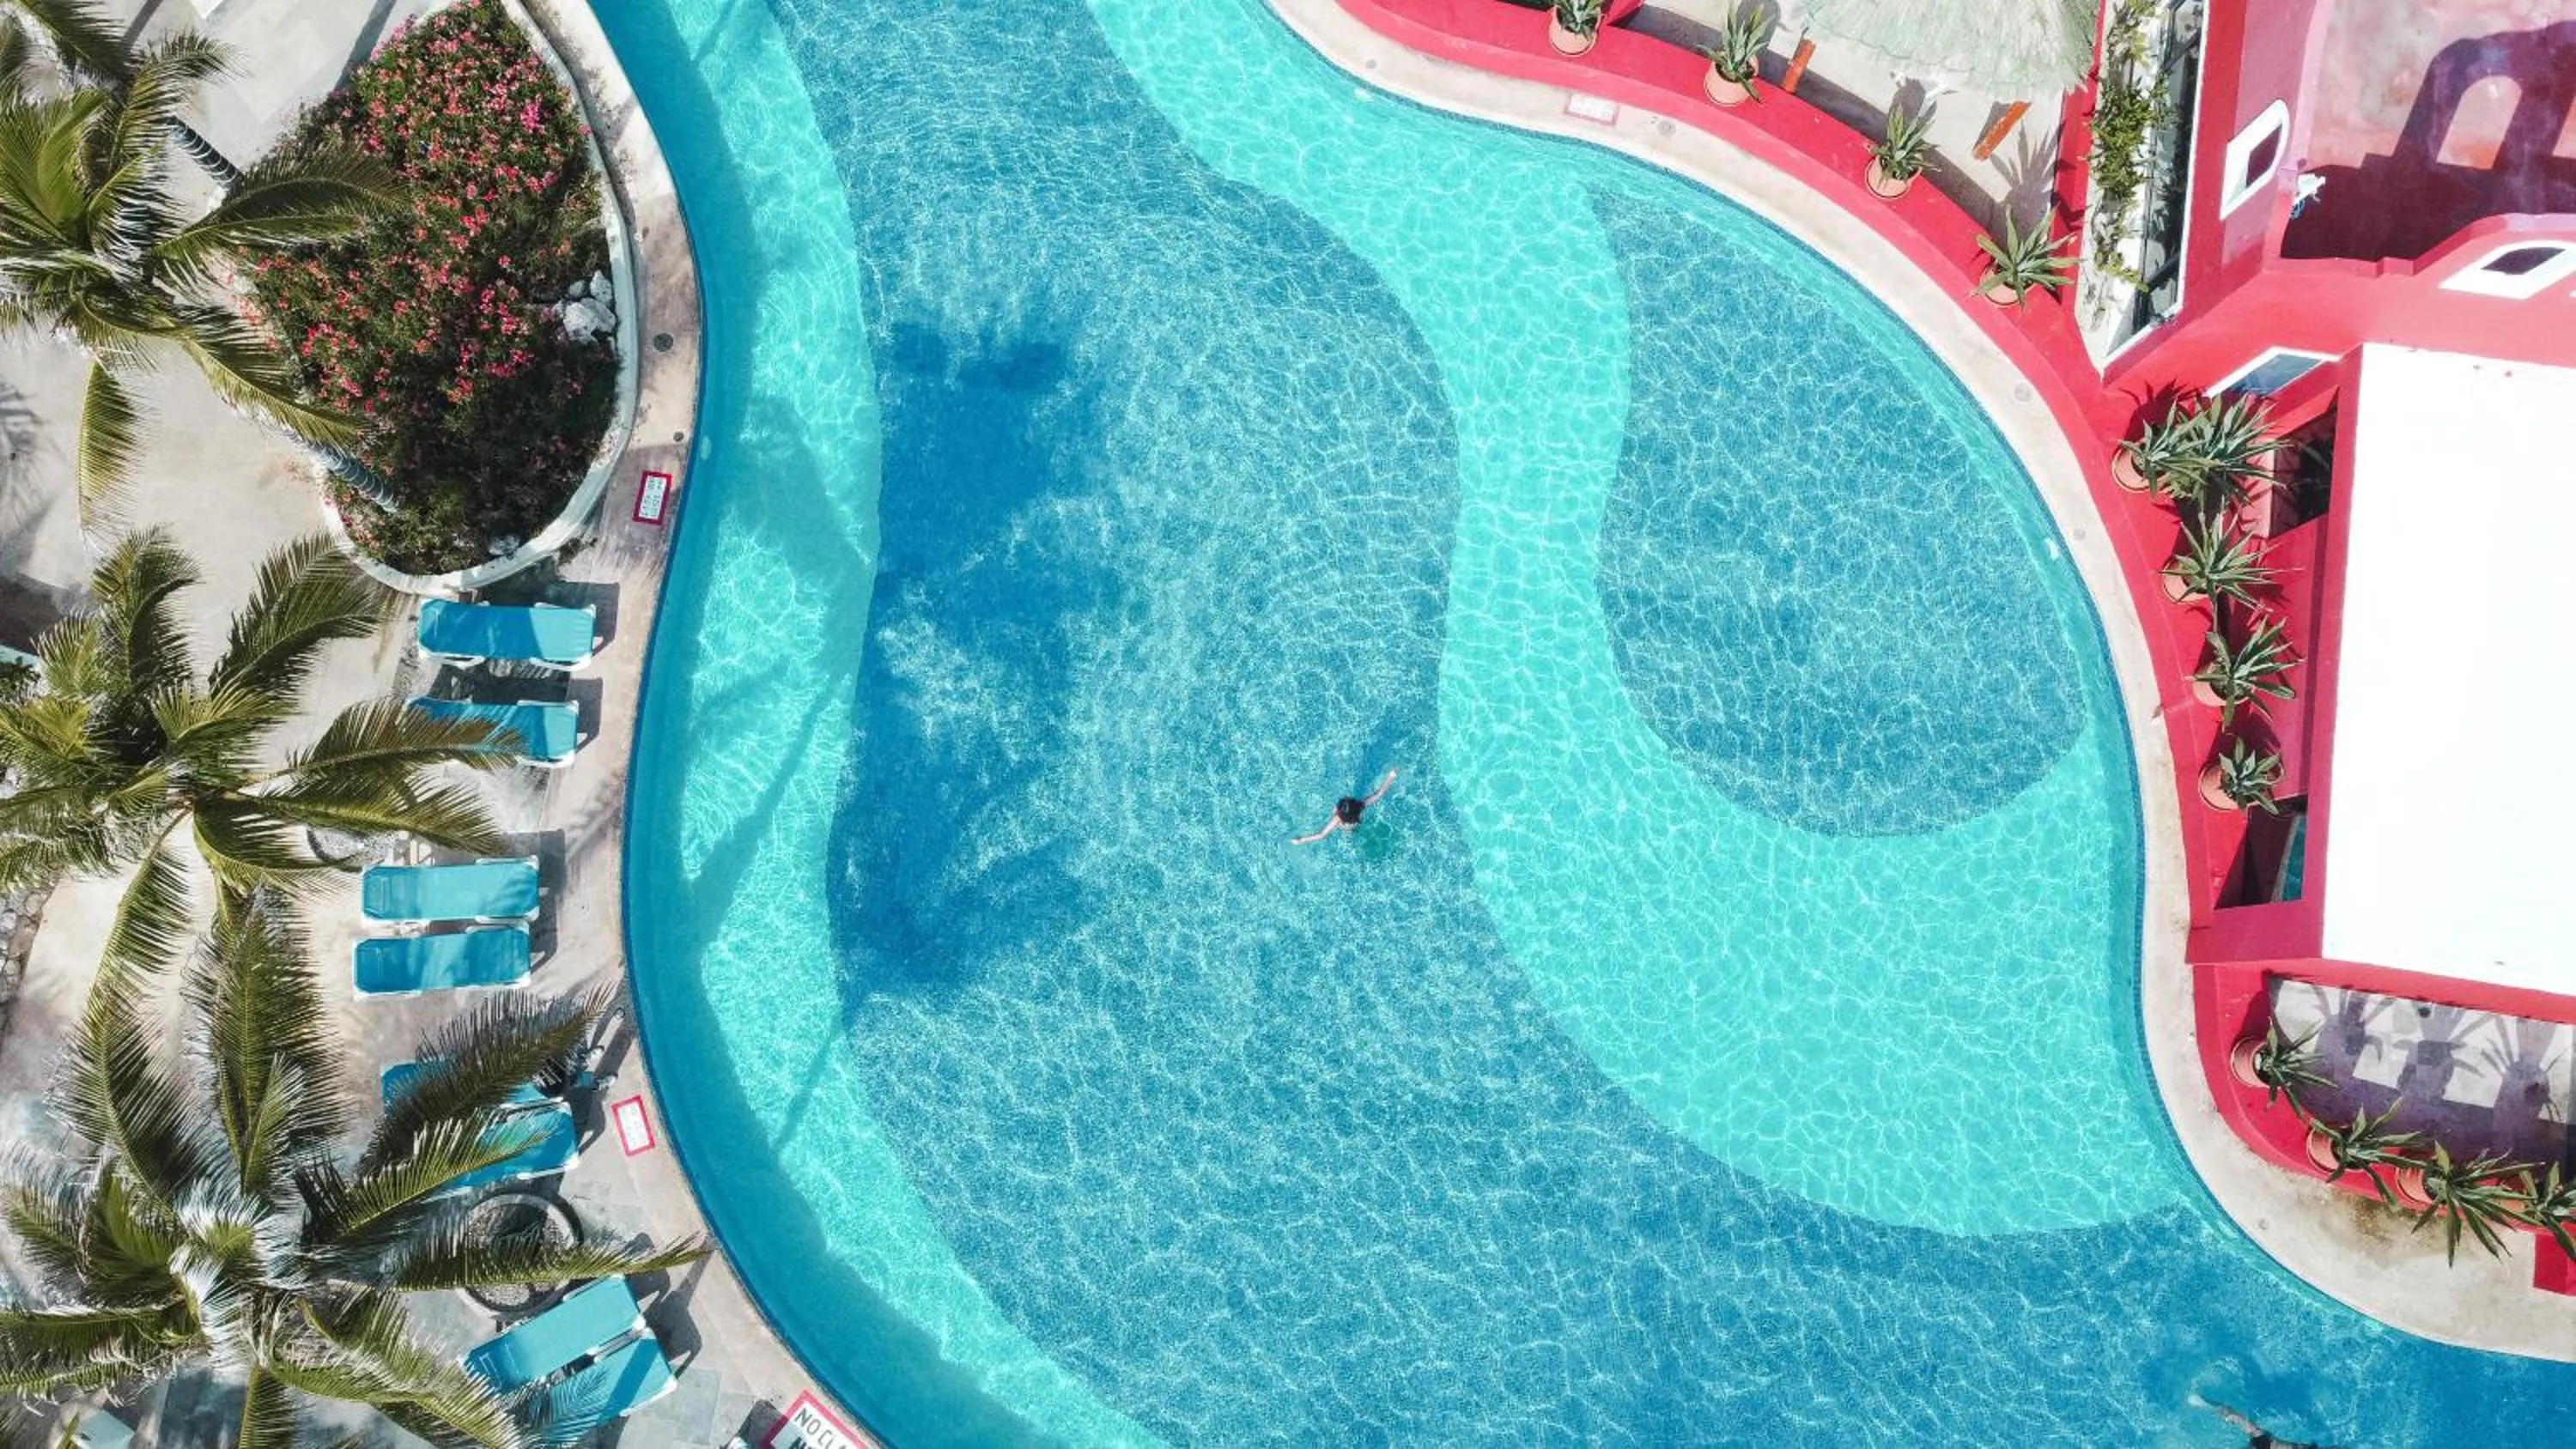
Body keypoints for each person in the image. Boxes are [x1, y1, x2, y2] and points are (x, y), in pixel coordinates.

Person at [1292, 768, 1397, 846]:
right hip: (1354, 823)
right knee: (1351, 832)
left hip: (1345, 827)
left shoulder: (1337, 819)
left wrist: (1301, 840)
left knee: (1347, 834)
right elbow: (1379, 794)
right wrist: (1390, 778)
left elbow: (1321, 835)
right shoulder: (1361, 805)